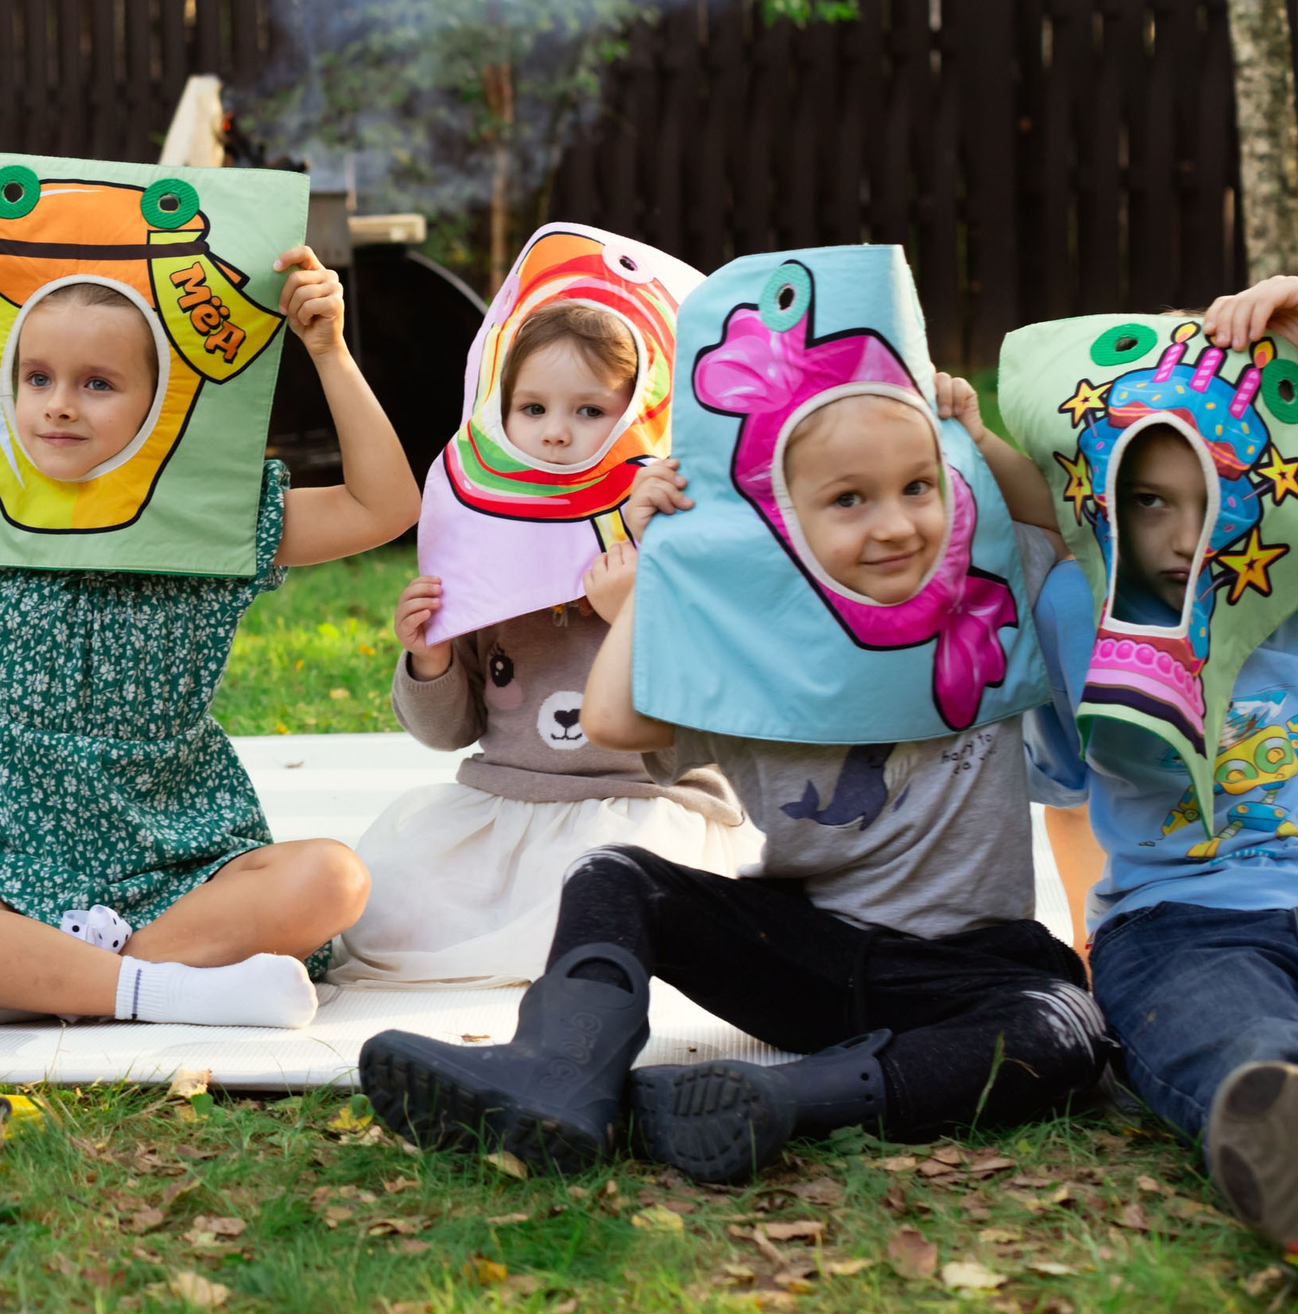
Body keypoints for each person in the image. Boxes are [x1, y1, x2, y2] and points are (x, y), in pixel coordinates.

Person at [360, 284, 1101, 1184]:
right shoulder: (745, 640)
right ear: (779, 519)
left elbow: (1043, 523)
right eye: (849, 500)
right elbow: (614, 721)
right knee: (614, 876)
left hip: (967, 966)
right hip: (805, 952)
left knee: (1062, 1028)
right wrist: (650, 585)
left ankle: (786, 1101)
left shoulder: (987, 598)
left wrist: (976, 441)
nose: (895, 521)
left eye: (917, 487)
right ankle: (558, 1075)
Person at [0, 161, 417, 1045]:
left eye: (98, 383)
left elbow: (385, 507)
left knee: (333, 877)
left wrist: (327, 350)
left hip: (189, 864)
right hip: (15, 869)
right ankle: (159, 989)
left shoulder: (218, 519)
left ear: (162, 400)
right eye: (38, 378)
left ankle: (29, 977)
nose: (59, 405)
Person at [334, 300, 753, 989]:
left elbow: (705, 724)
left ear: (638, 415)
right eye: (532, 408)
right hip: (511, 804)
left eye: (589, 411)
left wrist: (632, 615)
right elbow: (449, 731)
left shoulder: (674, 531)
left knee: (607, 885)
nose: (556, 433)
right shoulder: (482, 543)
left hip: (644, 804)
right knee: (395, 897)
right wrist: (431, 656)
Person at [1019, 274, 1298, 1255]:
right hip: (1180, 924)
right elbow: (1062, 794)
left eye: (1214, 500)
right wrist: (1095, 950)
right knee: (1222, 1031)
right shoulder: (1073, 610)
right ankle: (1278, 1137)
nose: (1184, 537)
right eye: (1150, 503)